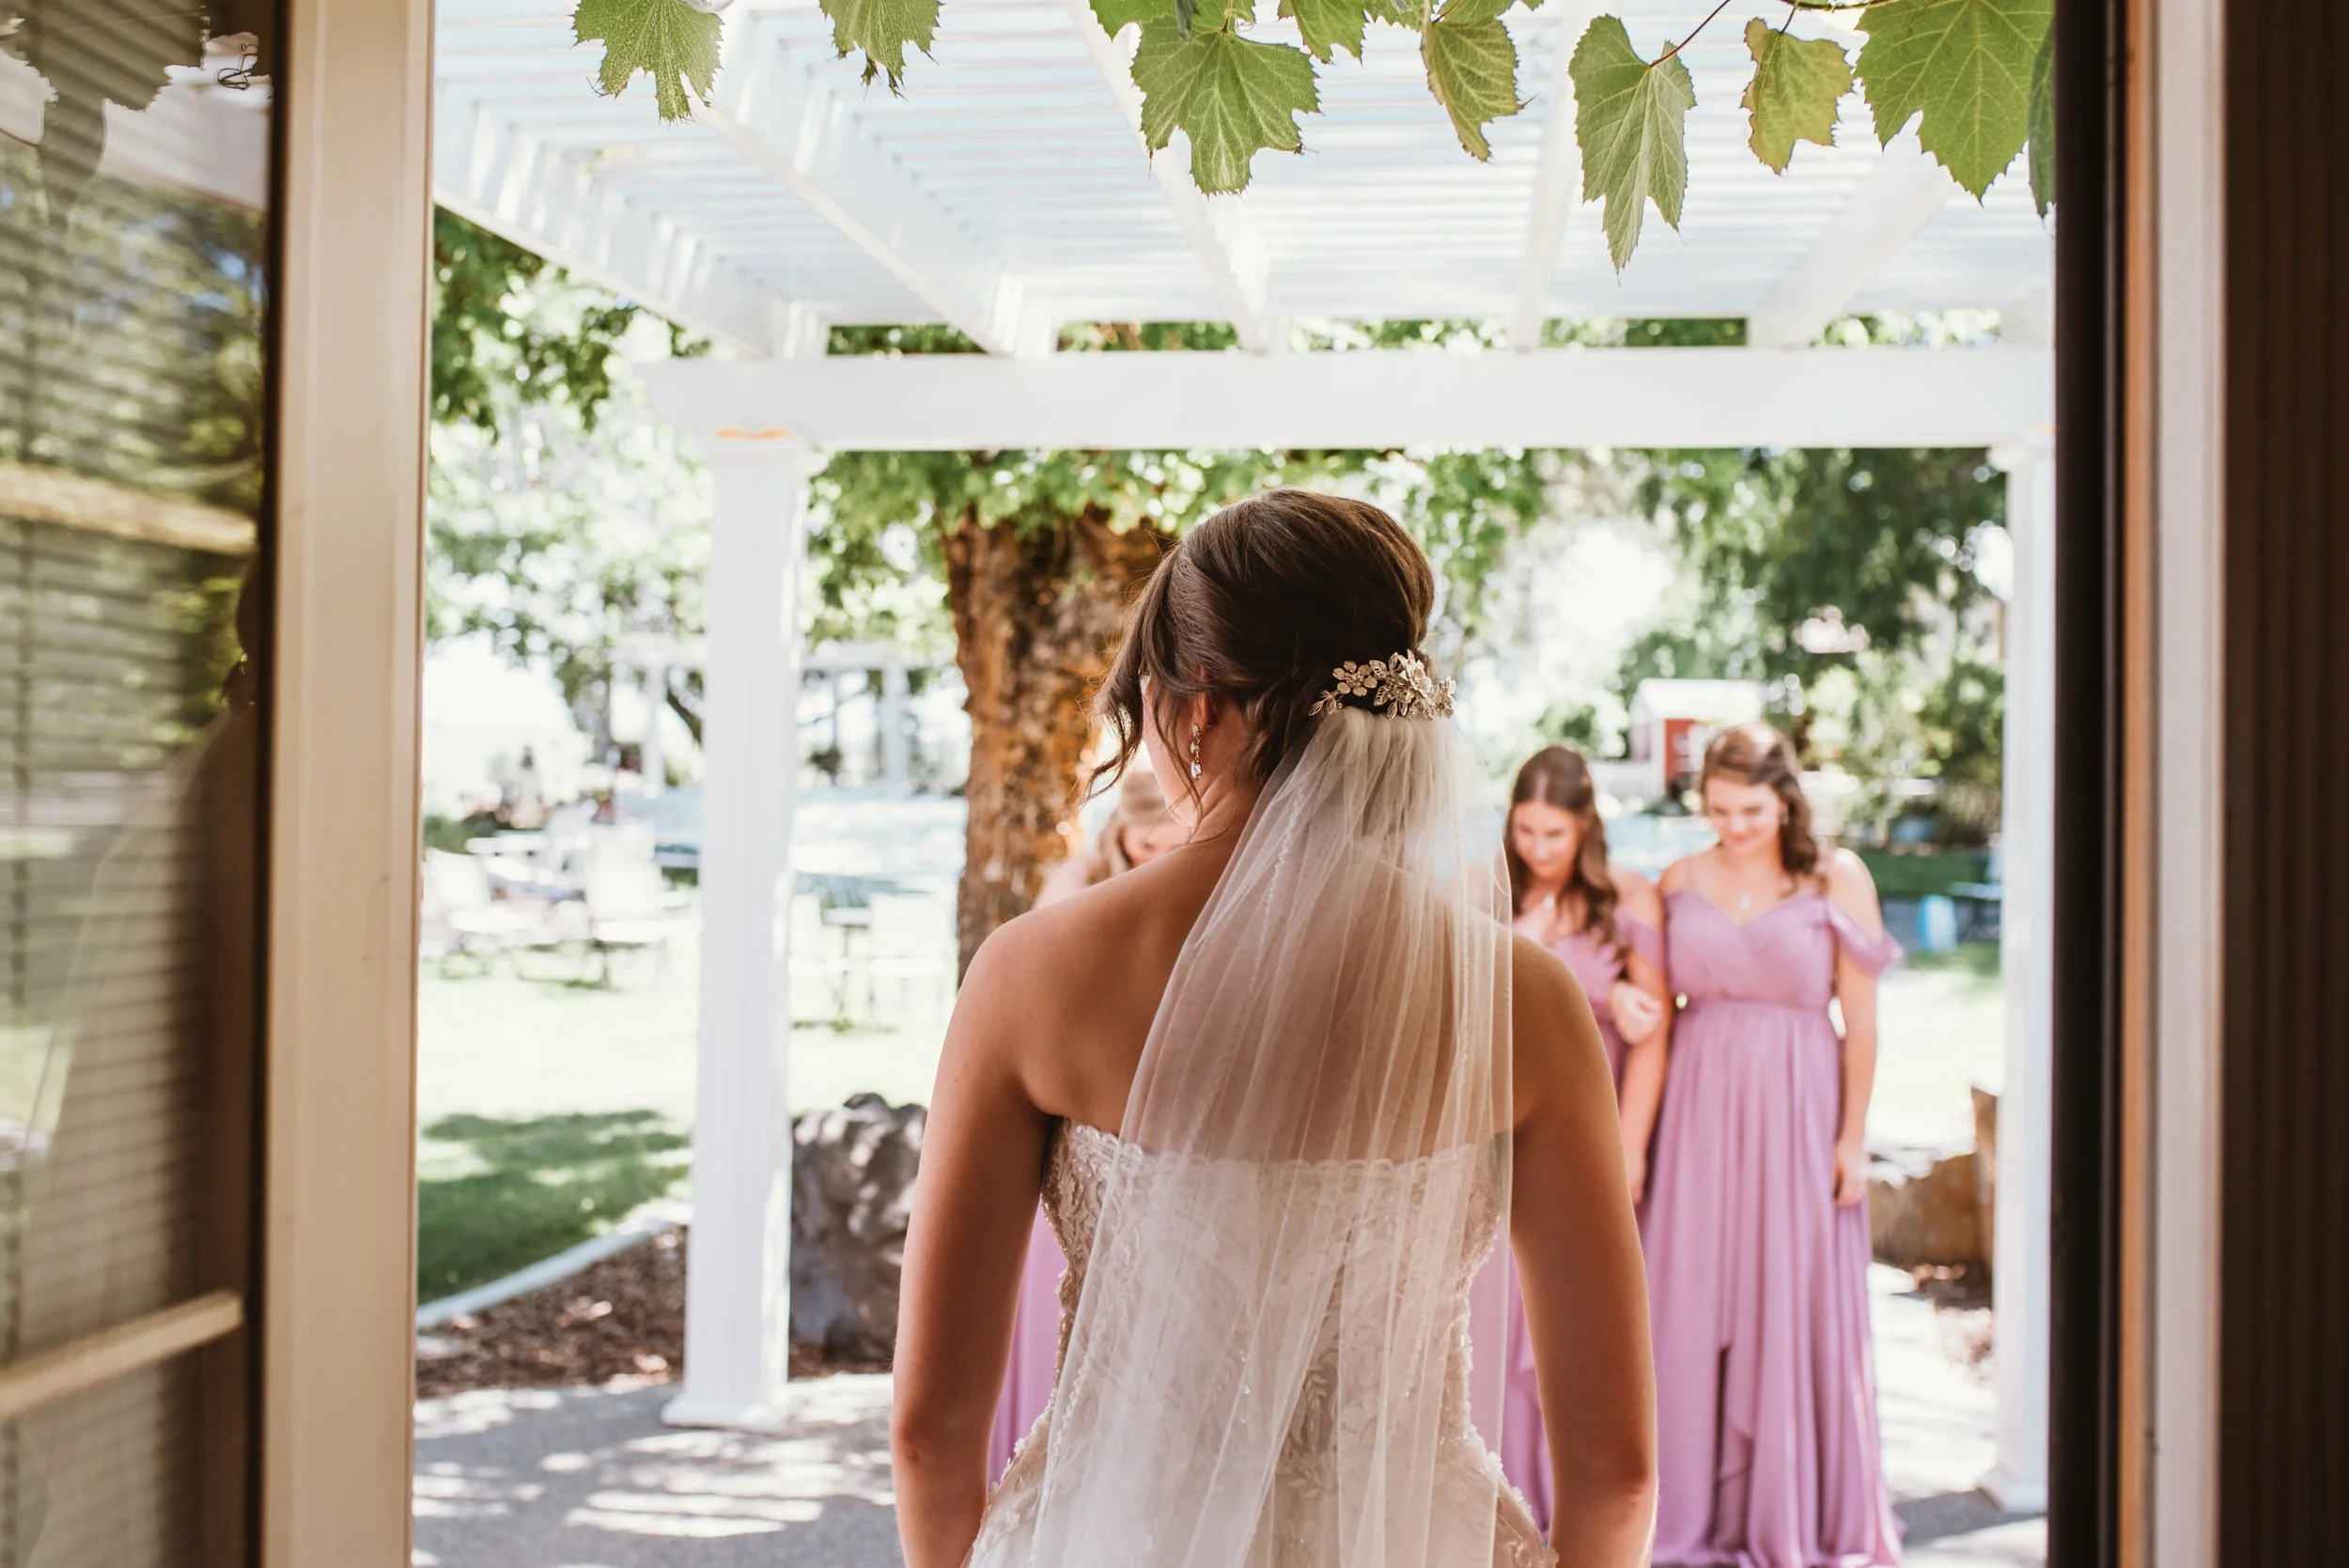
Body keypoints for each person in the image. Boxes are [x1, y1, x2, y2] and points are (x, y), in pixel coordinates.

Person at [893, 489, 1656, 1568]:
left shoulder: (1032, 975)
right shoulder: (1524, 1000)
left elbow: (930, 1435)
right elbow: (1617, 1471)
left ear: (1196, 709)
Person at [1642, 722, 1902, 1567]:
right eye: (1717, 808)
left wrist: (1852, 1138)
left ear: (1784, 796)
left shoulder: (1835, 874)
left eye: (1749, 808)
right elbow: (1643, 998)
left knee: (1788, 1297)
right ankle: (1691, 1510)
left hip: (1798, 1107)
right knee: (1688, 1298)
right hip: (1698, 1114)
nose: (1733, 825)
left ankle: (1789, 1512)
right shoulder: (1678, 877)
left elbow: (1860, 1022)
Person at [1483, 744, 1672, 1530]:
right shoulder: (1487, 892)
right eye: (1525, 830)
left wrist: (1629, 1144)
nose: (1538, 848)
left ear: (1585, 828)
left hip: (1585, 1139)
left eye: (1554, 834)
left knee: (1581, 1326)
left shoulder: (1628, 901)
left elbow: (1657, 1030)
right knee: (1499, 1310)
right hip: (1498, 1136)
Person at [988, 765, 1186, 1481]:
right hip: (1077, 1125)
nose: (1157, 858)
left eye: (1174, 843)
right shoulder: (1076, 886)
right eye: (1146, 843)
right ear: (1122, 832)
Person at [1033, 766, 1185, 908]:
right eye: (1147, 846)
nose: (1159, 861)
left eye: (1175, 849)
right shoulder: (1077, 876)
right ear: (1120, 832)